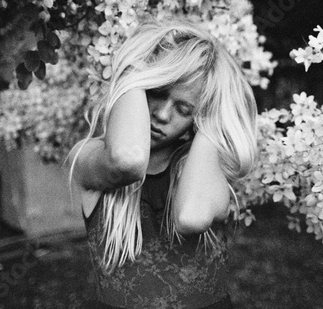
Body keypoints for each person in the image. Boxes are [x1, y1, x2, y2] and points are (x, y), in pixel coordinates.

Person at [68, 17, 258, 309]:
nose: (163, 115)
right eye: (156, 92)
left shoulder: (207, 166)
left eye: (184, 109)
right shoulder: (90, 157)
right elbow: (127, 159)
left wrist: (215, 105)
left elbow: (191, 217)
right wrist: (133, 63)